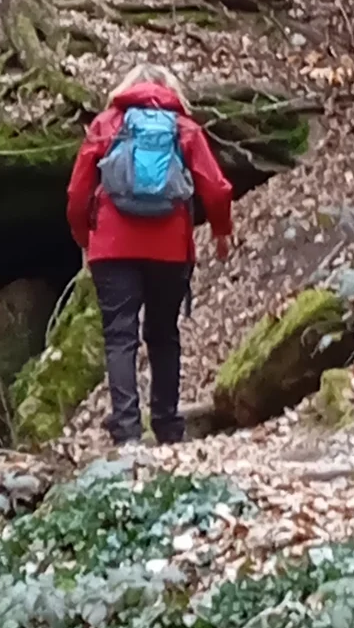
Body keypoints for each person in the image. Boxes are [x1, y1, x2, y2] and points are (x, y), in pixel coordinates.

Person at [66, 64, 234, 448]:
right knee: (163, 335)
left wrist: (83, 236)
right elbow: (216, 188)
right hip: (169, 248)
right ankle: (168, 426)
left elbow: (77, 191)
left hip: (113, 248)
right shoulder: (182, 127)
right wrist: (221, 230)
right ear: (170, 90)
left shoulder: (106, 124)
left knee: (119, 336)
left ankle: (127, 431)